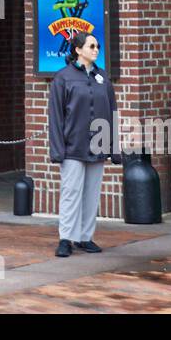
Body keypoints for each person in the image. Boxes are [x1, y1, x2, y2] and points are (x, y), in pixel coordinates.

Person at [49, 31, 118, 257]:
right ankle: (66, 238)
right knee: (71, 192)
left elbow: (111, 112)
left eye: (97, 46)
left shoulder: (103, 78)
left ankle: (85, 237)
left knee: (91, 192)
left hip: (97, 145)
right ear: (78, 50)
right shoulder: (63, 78)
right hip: (73, 146)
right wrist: (58, 149)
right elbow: (56, 117)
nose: (96, 50)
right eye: (91, 46)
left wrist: (113, 147)